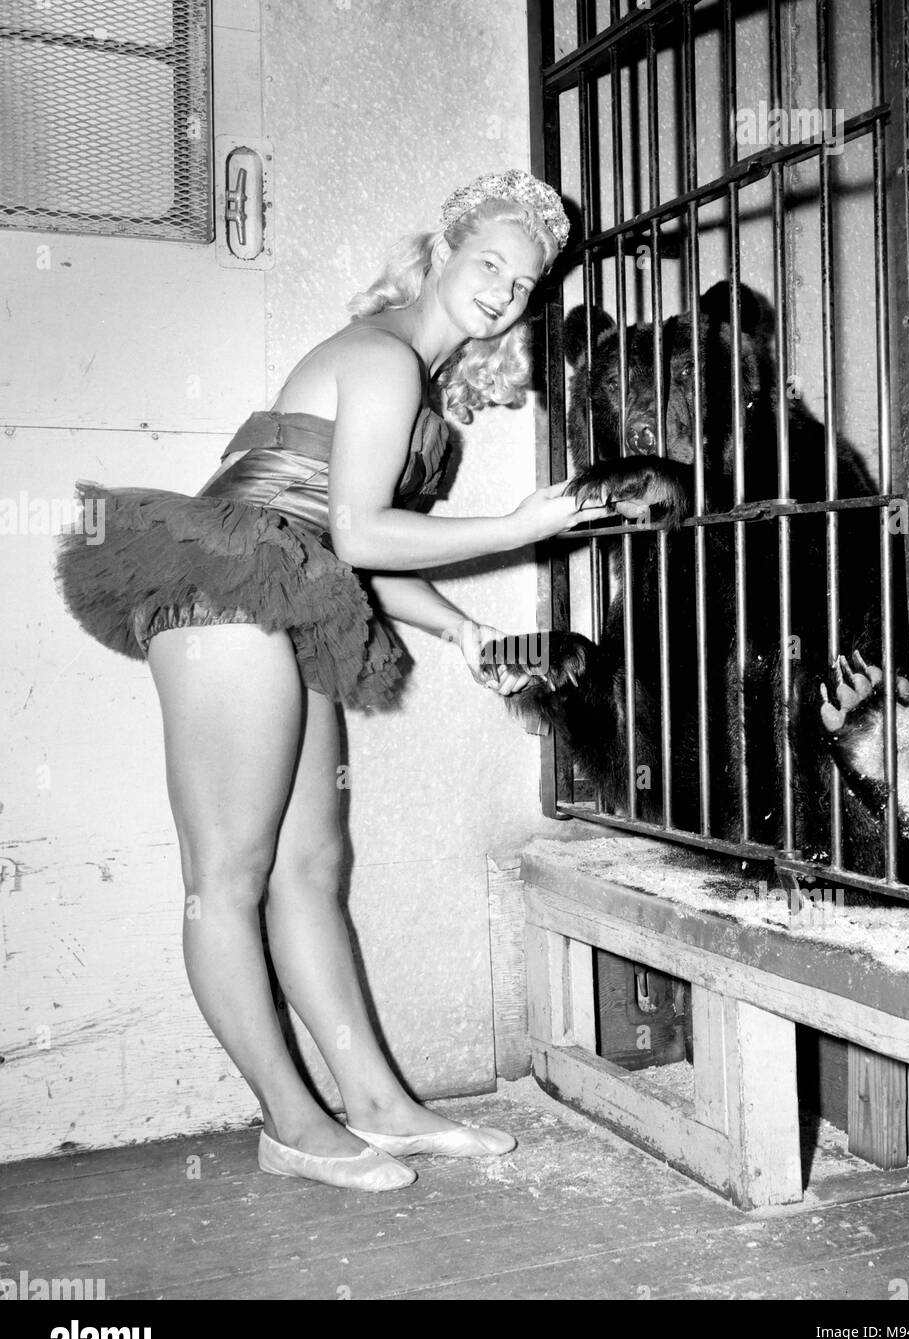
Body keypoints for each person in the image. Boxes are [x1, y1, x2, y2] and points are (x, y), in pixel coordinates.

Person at [55, 170, 612, 1191]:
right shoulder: (383, 360)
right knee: (226, 882)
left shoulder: (420, 382)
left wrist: (462, 632)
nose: (503, 289)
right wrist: (523, 524)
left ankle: (379, 1106)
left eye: (525, 281)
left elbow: (350, 550)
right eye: (488, 261)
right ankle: (291, 1124)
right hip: (224, 587)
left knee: (310, 866)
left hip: (285, 585)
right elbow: (353, 529)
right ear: (441, 251)